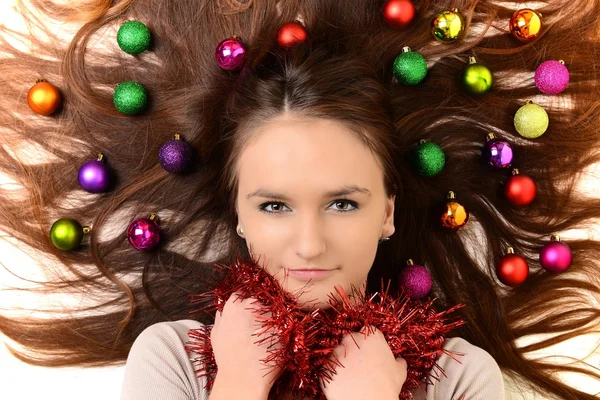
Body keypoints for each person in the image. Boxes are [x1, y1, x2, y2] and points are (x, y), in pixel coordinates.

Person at [0, 0, 599, 399]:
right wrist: (236, 381)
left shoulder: (459, 378)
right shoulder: (173, 359)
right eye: (274, 206)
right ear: (238, 214)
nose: (309, 244)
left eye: (342, 204)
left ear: (388, 211)